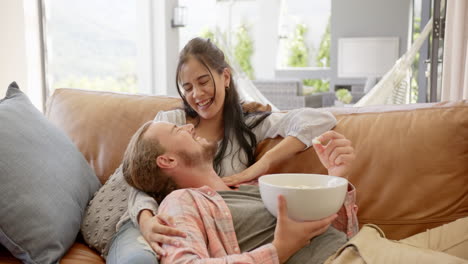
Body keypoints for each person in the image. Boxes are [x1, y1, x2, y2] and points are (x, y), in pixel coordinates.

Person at [105, 37, 358, 263]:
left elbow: (317, 120)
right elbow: (143, 177)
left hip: (355, 247)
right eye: (187, 87)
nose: (196, 94)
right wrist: (146, 219)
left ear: (225, 78)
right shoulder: (172, 128)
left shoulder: (250, 135)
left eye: (203, 81)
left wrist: (333, 177)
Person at [123, 120, 468, 264]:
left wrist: (336, 179)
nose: (187, 125)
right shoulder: (181, 202)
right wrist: (277, 250)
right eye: (175, 128)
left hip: (370, 244)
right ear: (166, 159)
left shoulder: (253, 188)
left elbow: (341, 232)